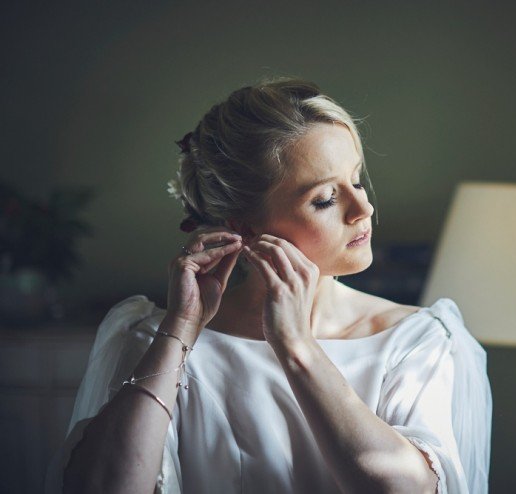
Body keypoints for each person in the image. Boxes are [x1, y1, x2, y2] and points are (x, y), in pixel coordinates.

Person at [45, 78, 492, 493]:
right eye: (325, 199)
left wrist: (296, 345)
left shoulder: (418, 342)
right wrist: (180, 330)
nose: (363, 208)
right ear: (246, 225)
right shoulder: (151, 338)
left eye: (356, 180)